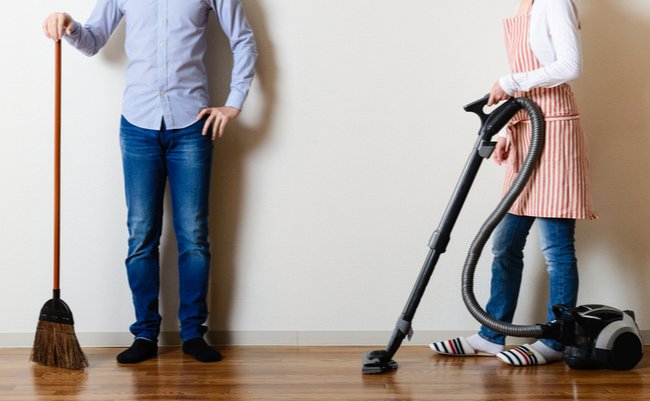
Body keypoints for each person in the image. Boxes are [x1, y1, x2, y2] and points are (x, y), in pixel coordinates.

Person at [42, 0, 258, 364]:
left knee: (194, 236)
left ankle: (193, 333)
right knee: (141, 235)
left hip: (192, 124)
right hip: (137, 125)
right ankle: (145, 333)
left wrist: (234, 102)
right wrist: (69, 24)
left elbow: (244, 40)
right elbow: (93, 41)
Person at [430, 0, 596, 366]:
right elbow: (526, 78)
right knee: (504, 244)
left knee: (556, 249)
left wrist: (509, 82)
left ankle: (555, 340)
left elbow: (570, 66)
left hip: (555, 132)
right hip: (526, 128)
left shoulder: (555, 2)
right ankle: (491, 335)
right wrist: (508, 130)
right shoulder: (525, 6)